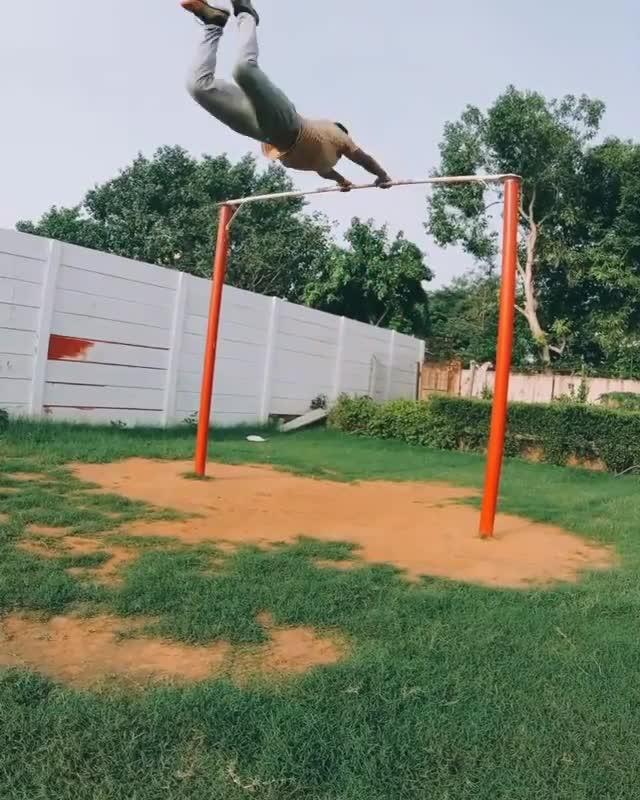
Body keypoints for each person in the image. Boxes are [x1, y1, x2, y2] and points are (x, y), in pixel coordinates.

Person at [182, 0, 392, 191]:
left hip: (260, 131)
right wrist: (382, 175)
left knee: (198, 88)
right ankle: (246, 14)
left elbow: (328, 173)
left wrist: (343, 182)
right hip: (288, 123)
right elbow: (363, 159)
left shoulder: (322, 164)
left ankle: (213, 24)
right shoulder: (337, 135)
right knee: (243, 71)